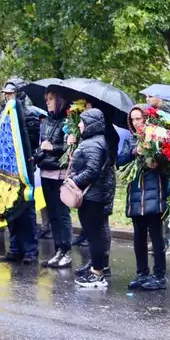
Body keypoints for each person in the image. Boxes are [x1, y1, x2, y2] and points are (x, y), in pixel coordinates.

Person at [121, 105, 170, 291]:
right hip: (136, 193)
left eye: (138, 119)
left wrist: (155, 162)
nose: (135, 123)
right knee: (139, 236)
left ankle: (159, 275)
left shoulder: (157, 137)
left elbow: (167, 161)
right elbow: (119, 159)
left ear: (146, 119)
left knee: (156, 235)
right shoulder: (130, 139)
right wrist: (134, 152)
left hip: (154, 192)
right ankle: (142, 273)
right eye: (132, 119)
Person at [70, 108, 115, 288]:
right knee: (93, 235)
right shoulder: (94, 141)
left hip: (92, 196)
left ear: (90, 124)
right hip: (93, 195)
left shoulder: (93, 144)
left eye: (82, 122)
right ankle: (96, 269)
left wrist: (73, 181)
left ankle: (97, 273)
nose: (79, 125)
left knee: (94, 236)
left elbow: (91, 170)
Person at [0, 79, 38, 264]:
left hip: (23, 169)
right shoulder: (4, 113)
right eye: (6, 93)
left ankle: (30, 250)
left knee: (26, 210)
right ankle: (15, 249)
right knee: (10, 208)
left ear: (19, 93)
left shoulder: (29, 114)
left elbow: (33, 143)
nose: (7, 96)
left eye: (11, 93)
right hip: (8, 168)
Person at [35, 89, 71, 268]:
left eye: (51, 99)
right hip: (45, 171)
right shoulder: (45, 122)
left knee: (62, 213)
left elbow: (69, 147)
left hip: (60, 173)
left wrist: (52, 148)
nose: (48, 102)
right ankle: (58, 251)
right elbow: (41, 145)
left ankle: (66, 251)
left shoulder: (69, 121)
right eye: (46, 99)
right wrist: (38, 154)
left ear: (60, 101)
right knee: (52, 214)